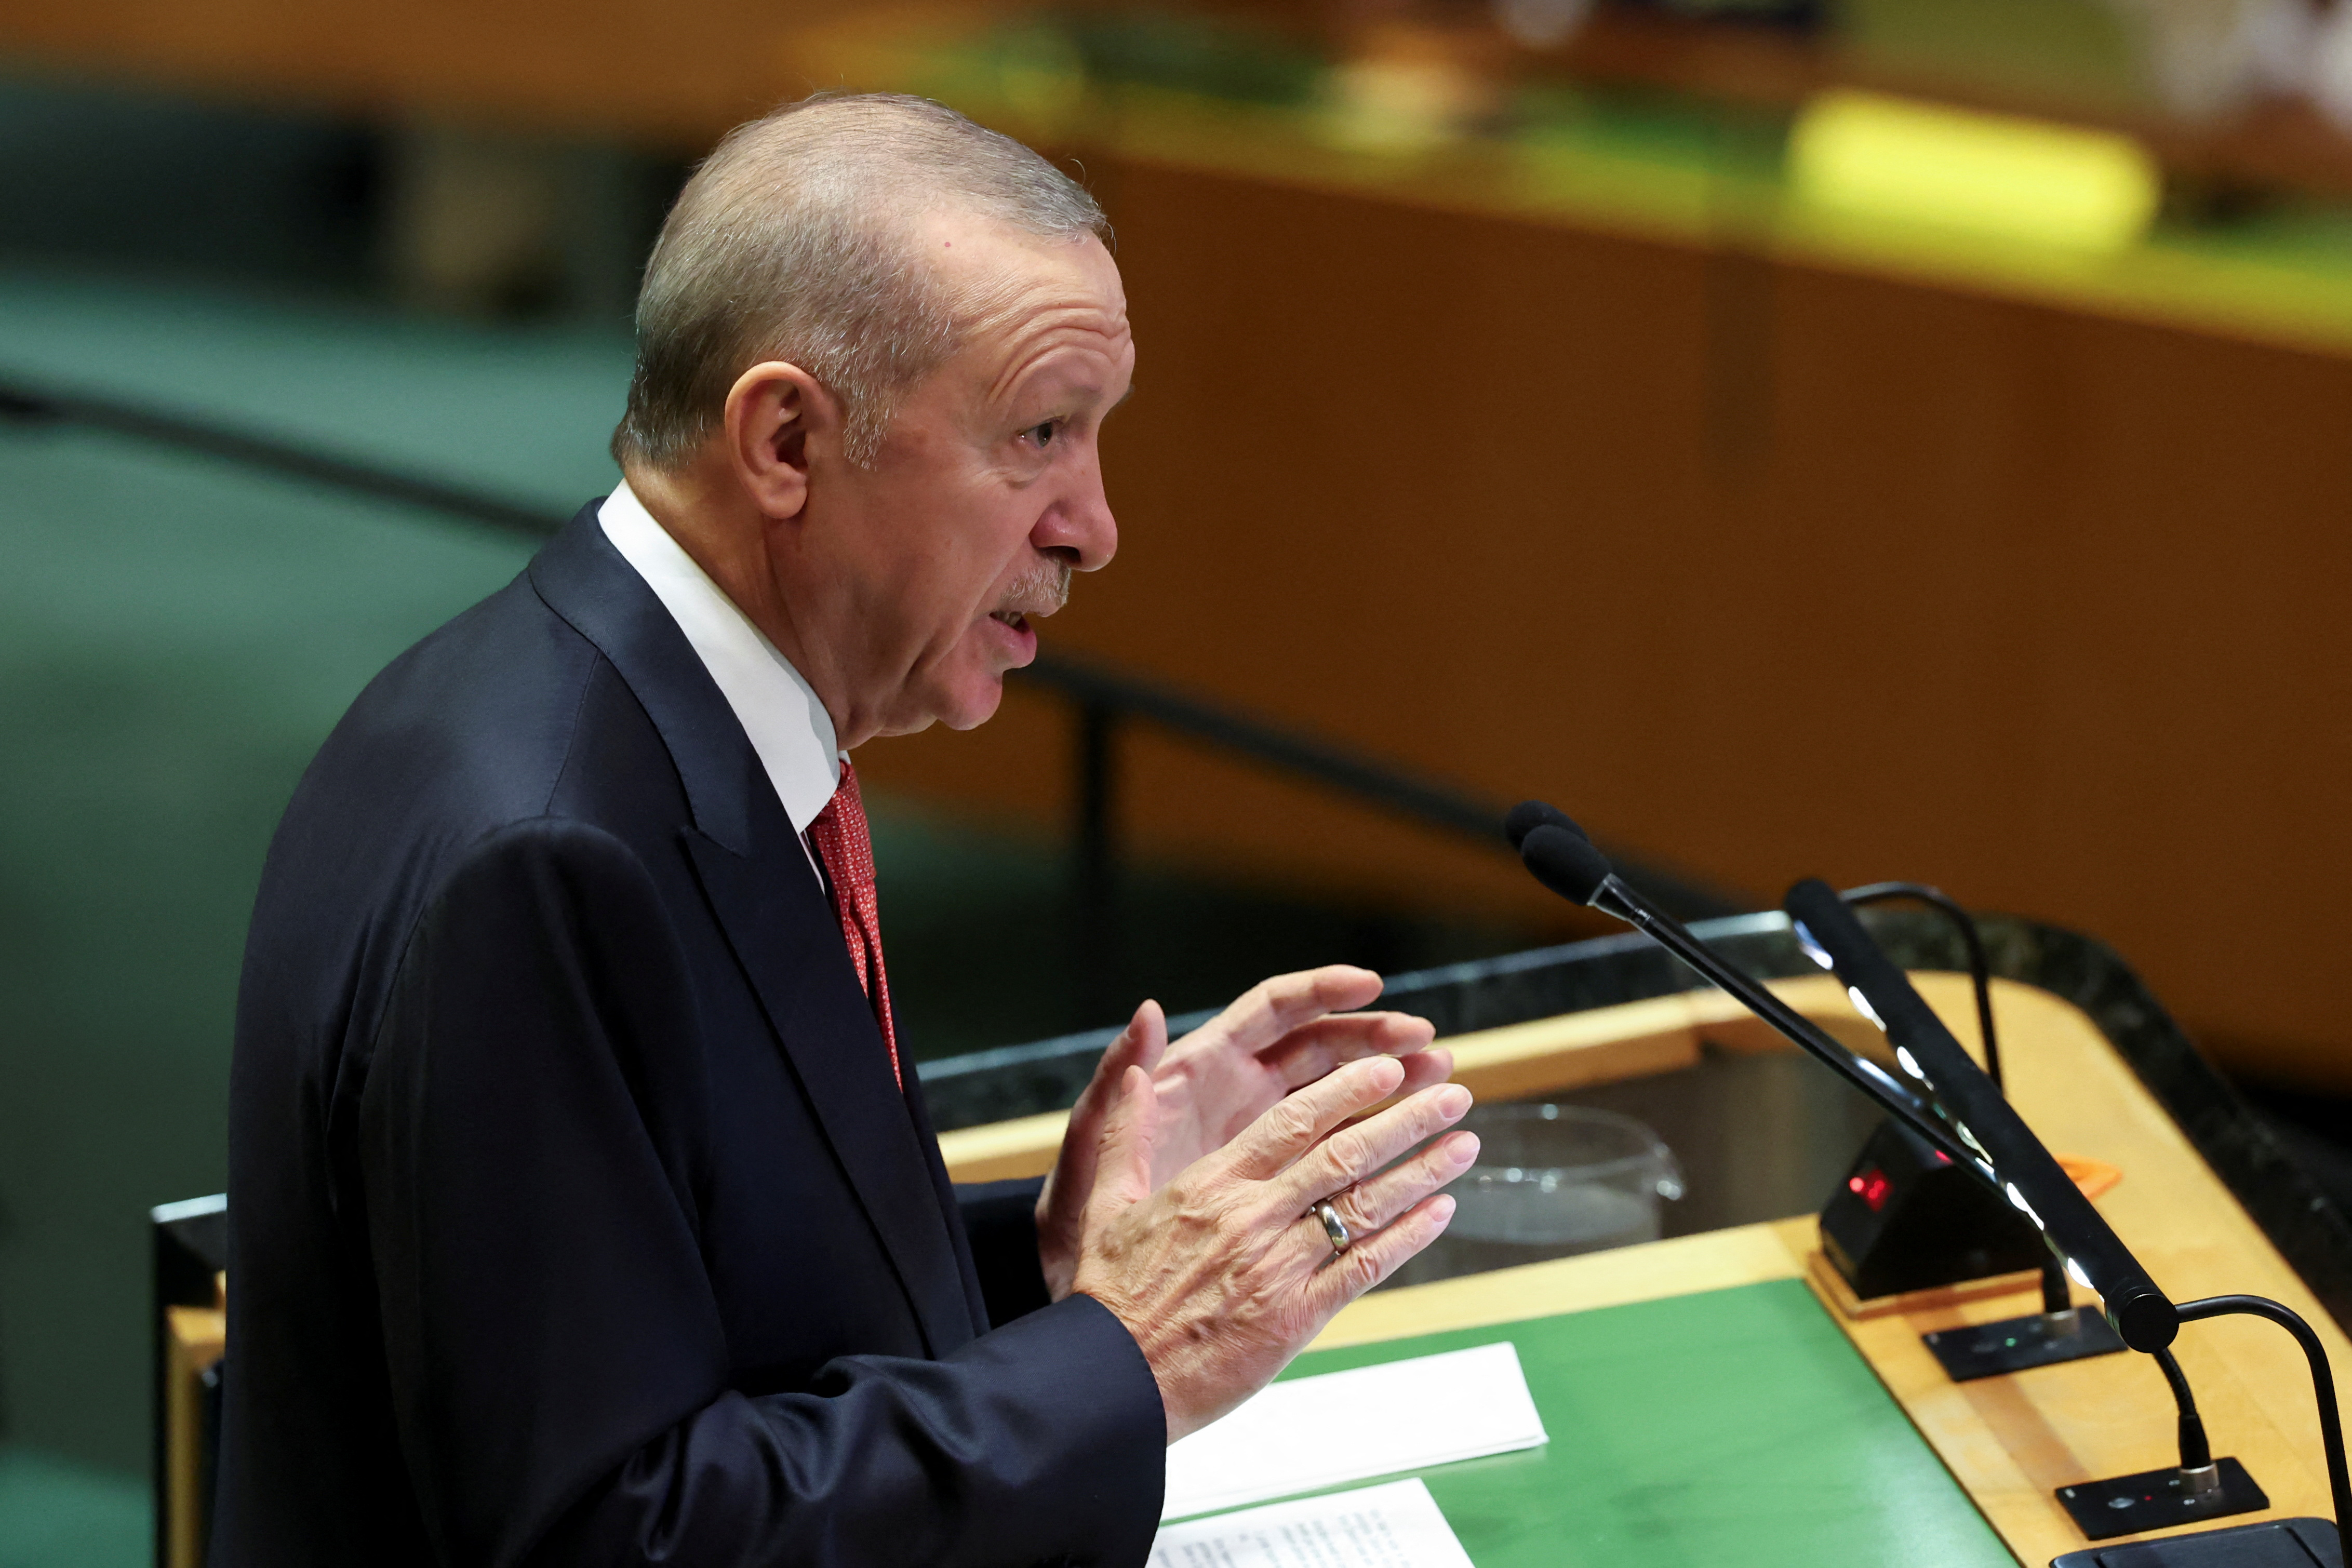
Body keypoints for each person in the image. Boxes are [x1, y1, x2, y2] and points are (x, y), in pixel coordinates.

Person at [215, 92, 1478, 1567]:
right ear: (788, 440)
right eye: (1039, 433)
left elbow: (723, 1300)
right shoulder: (542, 859)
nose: (1093, 524)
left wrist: (1062, 1259)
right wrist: (1128, 1353)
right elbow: (611, 1535)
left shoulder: (684, 722)